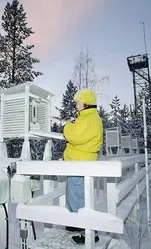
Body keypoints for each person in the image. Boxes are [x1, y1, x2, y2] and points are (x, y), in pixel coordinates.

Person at [63, 88, 103, 244]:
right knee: (74, 194)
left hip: (81, 163)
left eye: (78, 102)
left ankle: (91, 232)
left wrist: (67, 125)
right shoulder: (89, 117)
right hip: (79, 162)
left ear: (85, 103)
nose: (76, 105)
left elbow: (74, 136)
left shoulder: (88, 118)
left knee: (79, 197)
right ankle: (78, 224)